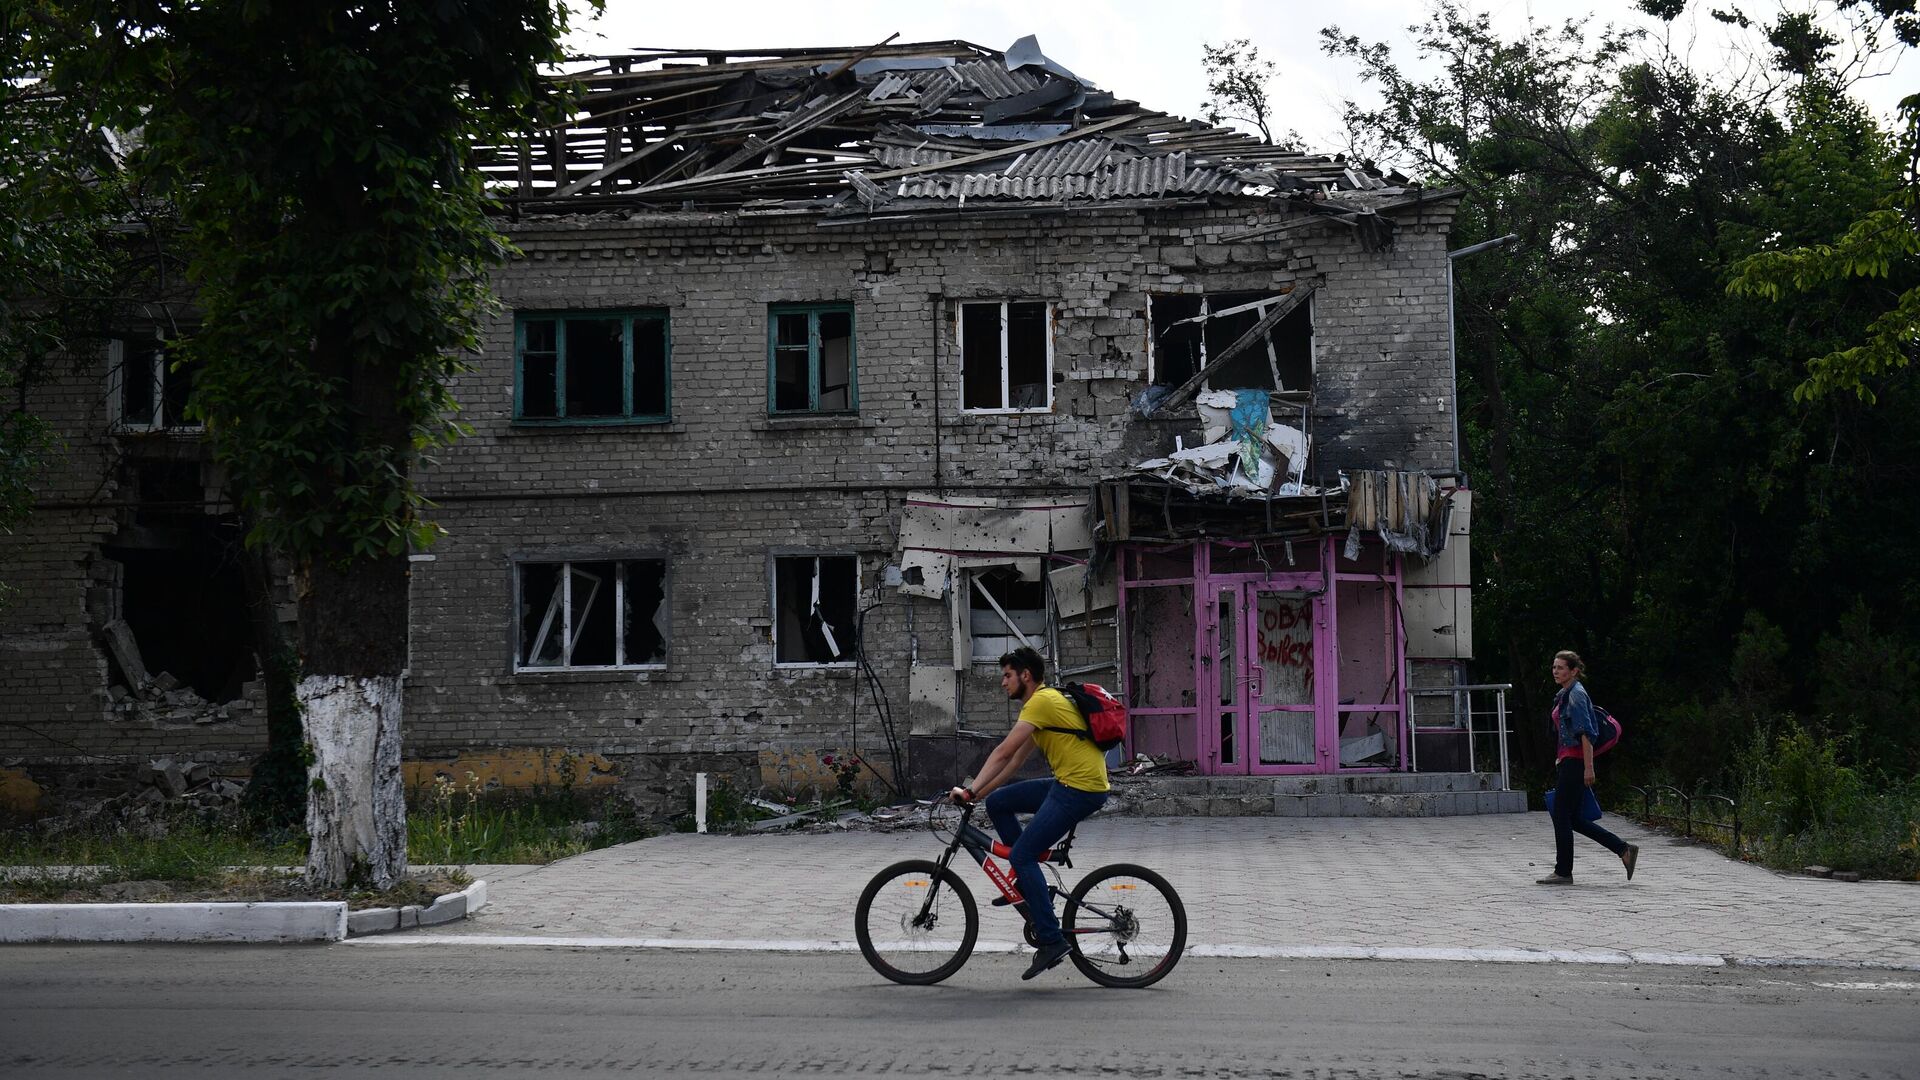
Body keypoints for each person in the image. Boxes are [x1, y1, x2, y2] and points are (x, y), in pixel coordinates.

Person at [949, 645, 1110, 980]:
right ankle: (1027, 884)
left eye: (1007, 676)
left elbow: (1003, 751)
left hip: (1079, 790)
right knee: (1000, 803)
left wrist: (969, 790)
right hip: (1070, 783)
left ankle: (1051, 941)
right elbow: (1014, 762)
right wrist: (980, 796)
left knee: (1022, 856)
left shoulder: (1041, 702)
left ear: (1025, 675)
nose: (1002, 683)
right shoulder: (1046, 705)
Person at [1538, 650, 1639, 885]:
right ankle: (1624, 850)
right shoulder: (1564, 693)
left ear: (1574, 671)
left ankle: (1563, 872)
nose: (1555, 671)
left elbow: (1587, 734)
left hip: (1576, 762)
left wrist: (1588, 768)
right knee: (1571, 819)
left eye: (1561, 668)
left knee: (1562, 815)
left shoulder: (1576, 695)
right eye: (1554, 667)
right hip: (1568, 761)